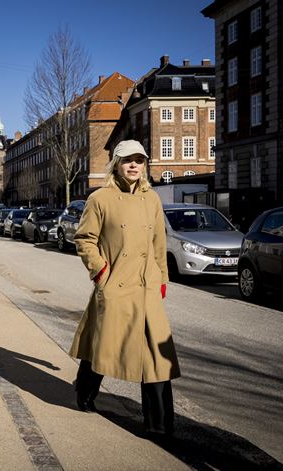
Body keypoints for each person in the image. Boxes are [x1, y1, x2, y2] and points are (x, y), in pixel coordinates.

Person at [69, 139, 181, 437]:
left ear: (145, 165)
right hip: (115, 284)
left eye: (139, 160)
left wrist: (161, 280)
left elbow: (159, 243)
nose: (133, 165)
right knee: (102, 346)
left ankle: (160, 426)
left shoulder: (152, 199)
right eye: (127, 160)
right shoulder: (100, 198)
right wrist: (101, 271)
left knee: (158, 358)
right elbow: (84, 239)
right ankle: (84, 392)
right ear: (116, 164)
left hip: (147, 286)